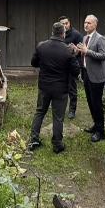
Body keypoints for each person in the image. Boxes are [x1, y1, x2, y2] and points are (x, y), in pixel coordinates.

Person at [30, 22, 81, 153]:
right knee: (58, 117)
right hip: (60, 89)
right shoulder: (68, 51)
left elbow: (33, 63)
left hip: (44, 86)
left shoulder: (41, 46)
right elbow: (75, 71)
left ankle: (34, 139)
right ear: (63, 34)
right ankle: (57, 144)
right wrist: (74, 55)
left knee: (40, 111)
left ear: (52, 33)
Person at [77, 15, 105, 143]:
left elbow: (103, 56)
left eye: (89, 23)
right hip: (86, 73)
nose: (86, 25)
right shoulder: (85, 37)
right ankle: (95, 124)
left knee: (97, 104)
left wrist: (87, 50)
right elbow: (85, 54)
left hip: (96, 76)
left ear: (95, 25)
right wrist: (78, 50)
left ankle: (101, 132)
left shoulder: (100, 39)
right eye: (85, 22)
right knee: (90, 102)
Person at [59, 16, 82, 120]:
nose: (64, 25)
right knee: (59, 87)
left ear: (69, 23)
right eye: (62, 24)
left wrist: (77, 50)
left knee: (72, 88)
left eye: (66, 23)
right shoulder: (59, 34)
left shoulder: (76, 35)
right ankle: (60, 107)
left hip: (71, 65)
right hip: (60, 65)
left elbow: (83, 50)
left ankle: (72, 110)